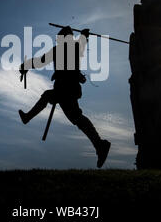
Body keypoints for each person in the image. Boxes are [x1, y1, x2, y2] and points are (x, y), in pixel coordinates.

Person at [18, 26, 111, 168]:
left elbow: (42, 60)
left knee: (56, 102)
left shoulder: (71, 48)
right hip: (65, 90)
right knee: (77, 118)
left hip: (67, 90)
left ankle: (100, 145)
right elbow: (41, 60)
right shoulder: (64, 49)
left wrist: (84, 36)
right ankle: (100, 145)